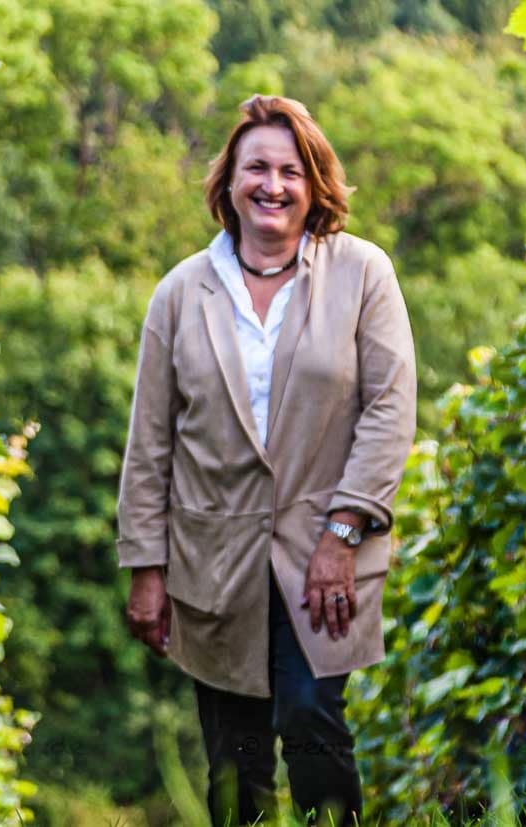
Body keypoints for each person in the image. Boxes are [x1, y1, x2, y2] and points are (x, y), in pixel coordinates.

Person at [116, 95, 417, 827]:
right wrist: (146, 567)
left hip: (325, 560)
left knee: (313, 724)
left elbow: (389, 409)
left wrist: (343, 532)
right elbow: (150, 440)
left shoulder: (362, 274)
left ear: (315, 185)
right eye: (256, 168)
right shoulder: (180, 293)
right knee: (236, 761)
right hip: (212, 562)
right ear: (229, 181)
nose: (272, 185)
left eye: (291, 171)